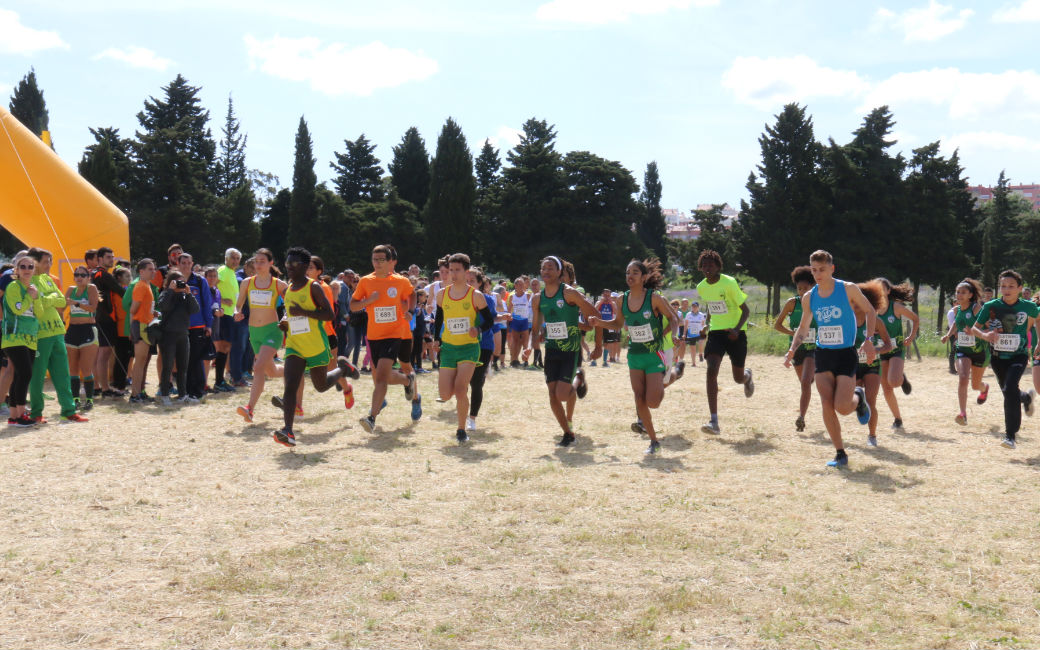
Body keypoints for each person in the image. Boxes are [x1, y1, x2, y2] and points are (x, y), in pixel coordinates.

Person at [784, 250, 876, 468]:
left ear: (832, 269)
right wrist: (792, 350)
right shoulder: (810, 297)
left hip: (845, 353)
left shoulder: (847, 289)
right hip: (823, 354)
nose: (817, 274)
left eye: (822, 270)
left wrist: (869, 339)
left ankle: (858, 397)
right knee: (826, 403)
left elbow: (870, 311)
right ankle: (840, 453)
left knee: (842, 407)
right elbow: (803, 327)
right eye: (814, 270)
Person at [590, 258, 679, 455]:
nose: (630, 276)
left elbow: (674, 318)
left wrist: (672, 334)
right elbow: (617, 324)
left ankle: (669, 376)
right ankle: (654, 441)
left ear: (644, 277)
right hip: (635, 356)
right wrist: (599, 322)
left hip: (654, 355)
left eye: (635, 273)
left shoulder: (654, 299)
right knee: (639, 399)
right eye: (628, 273)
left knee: (653, 402)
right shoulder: (621, 299)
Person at [271, 247, 358, 447]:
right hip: (294, 345)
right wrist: (285, 322)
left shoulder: (314, 288)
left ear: (303, 266)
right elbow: (291, 314)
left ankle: (343, 368)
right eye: (287, 263)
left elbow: (329, 315)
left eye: (294, 264)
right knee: (290, 385)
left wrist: (303, 311)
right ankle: (288, 431)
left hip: (316, 345)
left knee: (320, 386)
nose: (289, 267)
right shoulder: (289, 288)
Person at [531, 255, 602, 447]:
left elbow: (595, 316)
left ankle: (578, 379)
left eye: (550, 268)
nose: (546, 271)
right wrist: (532, 345)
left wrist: (599, 345)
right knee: (552, 395)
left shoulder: (570, 293)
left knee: (562, 395)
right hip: (552, 350)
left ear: (559, 272)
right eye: (543, 268)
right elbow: (536, 326)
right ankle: (567, 433)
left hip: (571, 351)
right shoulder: (537, 298)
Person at [351, 244, 417, 433]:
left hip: (394, 334)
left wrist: (410, 311)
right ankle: (407, 380)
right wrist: (367, 302)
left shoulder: (400, 281)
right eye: (375, 259)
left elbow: (411, 294)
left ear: (390, 262)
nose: (378, 263)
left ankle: (371, 417)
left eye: (382, 259)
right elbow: (353, 306)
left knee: (380, 377)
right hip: (374, 336)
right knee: (384, 377)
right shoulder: (365, 281)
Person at [971, 269, 1040, 450]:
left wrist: (1039, 341)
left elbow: (1039, 318)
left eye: (1010, 286)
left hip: (1019, 355)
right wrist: (985, 336)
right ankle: (1025, 397)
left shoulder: (1028, 307)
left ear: (1019, 288)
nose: (1006, 289)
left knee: (1009, 388)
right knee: (1008, 391)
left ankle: (1010, 436)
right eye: (1003, 286)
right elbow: (974, 328)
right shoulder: (991, 306)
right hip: (997, 357)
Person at [432, 253, 492, 443]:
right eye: (451, 270)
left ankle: (461, 429)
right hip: (449, 348)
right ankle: (461, 417)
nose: (454, 274)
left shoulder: (476, 296)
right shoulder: (442, 294)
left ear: (466, 272)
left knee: (460, 389)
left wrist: (478, 329)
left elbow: (489, 320)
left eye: (458, 270)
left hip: (469, 348)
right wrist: (436, 339)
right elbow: (439, 318)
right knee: (444, 394)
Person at [696, 249, 754, 435]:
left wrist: (737, 330)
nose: (707, 268)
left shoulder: (729, 282)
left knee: (738, 378)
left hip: (735, 333)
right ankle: (714, 421)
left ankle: (747, 376)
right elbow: (712, 306)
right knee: (711, 368)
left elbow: (745, 310)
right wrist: (706, 324)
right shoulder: (701, 287)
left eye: (711, 265)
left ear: (718, 266)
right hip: (716, 333)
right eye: (704, 265)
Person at [27, 248, 86, 424]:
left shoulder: (48, 279)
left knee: (62, 374)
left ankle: (68, 411)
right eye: (46, 261)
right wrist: (51, 299)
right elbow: (38, 303)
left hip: (58, 332)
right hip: (39, 334)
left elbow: (62, 301)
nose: (49, 265)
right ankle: (36, 413)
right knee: (37, 376)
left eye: (50, 261)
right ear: (35, 261)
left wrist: (47, 298)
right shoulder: (27, 281)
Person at [235, 248, 287, 422]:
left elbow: (291, 305)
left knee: (257, 368)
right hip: (254, 332)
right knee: (270, 371)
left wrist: (286, 317)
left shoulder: (279, 284)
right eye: (256, 261)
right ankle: (293, 371)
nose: (258, 264)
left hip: (272, 330)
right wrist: (237, 312)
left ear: (271, 263)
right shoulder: (247, 283)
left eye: (262, 261)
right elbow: (239, 304)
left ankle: (250, 408)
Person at [773, 266, 817, 431]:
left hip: (814, 348)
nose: (802, 291)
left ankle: (801, 417)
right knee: (805, 382)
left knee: (805, 382)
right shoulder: (792, 303)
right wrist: (793, 332)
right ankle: (813, 377)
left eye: (806, 288)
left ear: (812, 287)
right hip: (796, 348)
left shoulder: (818, 303)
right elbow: (777, 325)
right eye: (799, 289)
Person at [940, 278, 990, 425]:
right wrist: (948, 335)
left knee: (975, 385)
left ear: (970, 295)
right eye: (957, 292)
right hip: (963, 350)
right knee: (962, 378)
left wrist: (976, 332)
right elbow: (956, 323)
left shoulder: (976, 308)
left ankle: (984, 387)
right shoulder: (957, 309)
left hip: (980, 351)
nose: (959, 295)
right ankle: (963, 413)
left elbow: (989, 328)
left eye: (963, 292)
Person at [852, 281, 895, 447]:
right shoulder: (847, 321)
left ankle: (872, 436)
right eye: (853, 300)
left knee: (871, 401)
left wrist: (874, 351)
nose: (855, 304)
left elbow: (888, 345)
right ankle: (859, 401)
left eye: (859, 300)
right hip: (852, 365)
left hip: (872, 365)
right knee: (851, 398)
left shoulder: (877, 322)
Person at [3, 254, 43, 427]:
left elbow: (39, 313)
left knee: (20, 375)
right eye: (23, 267)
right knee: (25, 374)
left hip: (31, 338)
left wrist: (35, 296)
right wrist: (30, 296)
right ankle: (21, 415)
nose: (27, 270)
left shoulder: (33, 288)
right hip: (14, 337)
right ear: (16, 270)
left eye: (30, 267)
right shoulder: (13, 286)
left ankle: (13, 416)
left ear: (34, 270)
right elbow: (18, 309)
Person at [876, 278, 919, 432]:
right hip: (880, 351)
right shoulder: (871, 310)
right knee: (886, 388)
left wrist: (911, 337)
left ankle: (900, 377)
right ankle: (897, 419)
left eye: (882, 289)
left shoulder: (896, 307)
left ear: (888, 291)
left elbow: (915, 319)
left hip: (896, 350)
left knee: (893, 382)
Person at [156, 270, 199, 405]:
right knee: (167, 366)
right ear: (171, 282)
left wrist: (189, 294)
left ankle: (183, 394)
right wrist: (170, 290)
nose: (181, 284)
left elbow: (195, 310)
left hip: (183, 334)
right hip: (168, 335)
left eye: (183, 281)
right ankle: (164, 394)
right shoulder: (165, 293)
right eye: (178, 282)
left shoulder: (185, 296)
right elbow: (163, 306)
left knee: (183, 367)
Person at [177, 253, 213, 401]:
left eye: (188, 262)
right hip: (179, 327)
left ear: (192, 264)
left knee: (195, 359)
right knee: (182, 360)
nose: (186, 265)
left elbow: (207, 303)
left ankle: (197, 391)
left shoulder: (199, 280)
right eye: (183, 263)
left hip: (197, 326)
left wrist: (208, 325)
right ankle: (184, 391)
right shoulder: (174, 280)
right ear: (178, 264)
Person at [92, 246, 127, 397]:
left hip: (104, 317)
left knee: (102, 353)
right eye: (108, 257)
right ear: (99, 259)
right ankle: (104, 389)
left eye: (112, 257)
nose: (111, 260)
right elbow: (120, 291)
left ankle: (100, 386)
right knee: (104, 354)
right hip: (104, 318)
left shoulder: (100, 274)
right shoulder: (101, 274)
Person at [64, 265, 100, 410]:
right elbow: (61, 306)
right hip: (72, 330)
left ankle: (89, 400)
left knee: (86, 368)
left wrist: (77, 303)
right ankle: (75, 399)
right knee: (72, 368)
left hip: (87, 330)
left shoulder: (91, 288)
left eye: (82, 275)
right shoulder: (70, 289)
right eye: (76, 274)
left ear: (88, 277)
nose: (79, 277)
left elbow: (92, 308)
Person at [128, 259, 159, 404]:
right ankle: (135, 395)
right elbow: (133, 309)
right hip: (140, 325)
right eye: (150, 269)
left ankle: (139, 392)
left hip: (145, 325)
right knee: (139, 361)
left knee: (142, 361)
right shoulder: (141, 286)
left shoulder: (146, 285)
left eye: (154, 269)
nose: (153, 271)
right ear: (141, 271)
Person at [216, 248, 243, 390]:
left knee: (227, 347)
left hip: (230, 314)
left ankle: (223, 378)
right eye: (233, 258)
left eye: (238, 258)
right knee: (223, 347)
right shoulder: (223, 270)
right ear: (226, 258)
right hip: (223, 314)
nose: (235, 261)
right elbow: (212, 285)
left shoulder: (232, 272)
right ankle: (219, 381)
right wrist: (221, 301)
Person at [507, 276, 532, 368]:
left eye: (522, 284)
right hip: (515, 321)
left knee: (525, 341)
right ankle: (514, 360)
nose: (521, 286)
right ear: (515, 286)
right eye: (519, 284)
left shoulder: (528, 295)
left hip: (525, 321)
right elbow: (509, 310)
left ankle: (525, 360)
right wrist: (508, 322)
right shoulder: (512, 297)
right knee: (515, 341)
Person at [593, 288, 617, 368]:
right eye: (605, 295)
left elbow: (616, 312)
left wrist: (612, 303)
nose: (606, 297)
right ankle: (594, 360)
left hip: (608, 325)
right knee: (597, 343)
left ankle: (604, 361)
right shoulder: (598, 302)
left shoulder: (612, 303)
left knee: (607, 344)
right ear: (602, 295)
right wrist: (601, 302)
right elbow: (594, 310)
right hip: (599, 325)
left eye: (608, 295)